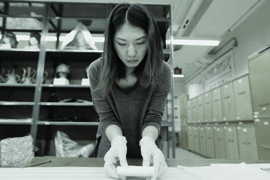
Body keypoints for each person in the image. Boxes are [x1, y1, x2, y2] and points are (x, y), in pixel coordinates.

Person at [87, 3, 172, 180]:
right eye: (122, 43)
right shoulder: (96, 70)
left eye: (140, 42)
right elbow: (107, 117)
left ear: (150, 40)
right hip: (111, 150)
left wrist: (148, 140)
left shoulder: (162, 71)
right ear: (111, 42)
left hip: (148, 153)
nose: (131, 52)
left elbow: (153, 116)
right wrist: (118, 140)